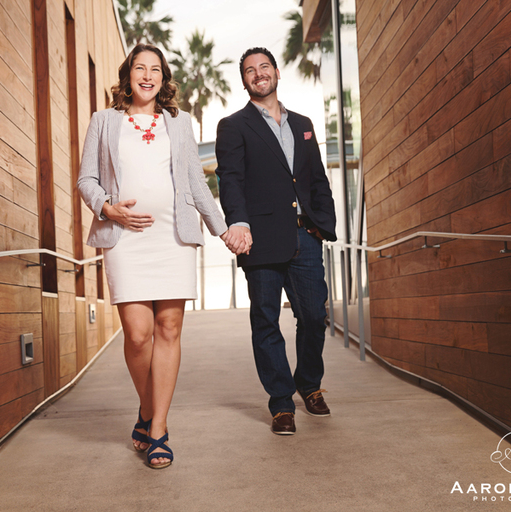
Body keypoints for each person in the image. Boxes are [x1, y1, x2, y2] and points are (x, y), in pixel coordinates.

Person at [78, 44, 229, 468]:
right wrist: (108, 208)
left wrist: (221, 228)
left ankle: (158, 427)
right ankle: (147, 408)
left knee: (168, 327)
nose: (147, 76)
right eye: (140, 68)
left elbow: (196, 182)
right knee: (137, 334)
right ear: (128, 75)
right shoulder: (104, 121)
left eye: (155, 70)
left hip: (172, 238)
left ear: (163, 78)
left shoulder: (179, 123)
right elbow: (86, 178)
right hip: (125, 239)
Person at [216, 47, 336, 435]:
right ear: (244, 81)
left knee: (314, 315)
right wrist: (238, 224)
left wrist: (324, 223)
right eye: (250, 70)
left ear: (277, 72)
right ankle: (282, 402)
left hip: (305, 236)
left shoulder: (302, 123)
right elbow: (230, 180)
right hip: (261, 239)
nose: (258, 74)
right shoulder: (233, 126)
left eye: (264, 66)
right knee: (266, 320)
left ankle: (309, 383)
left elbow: (316, 178)